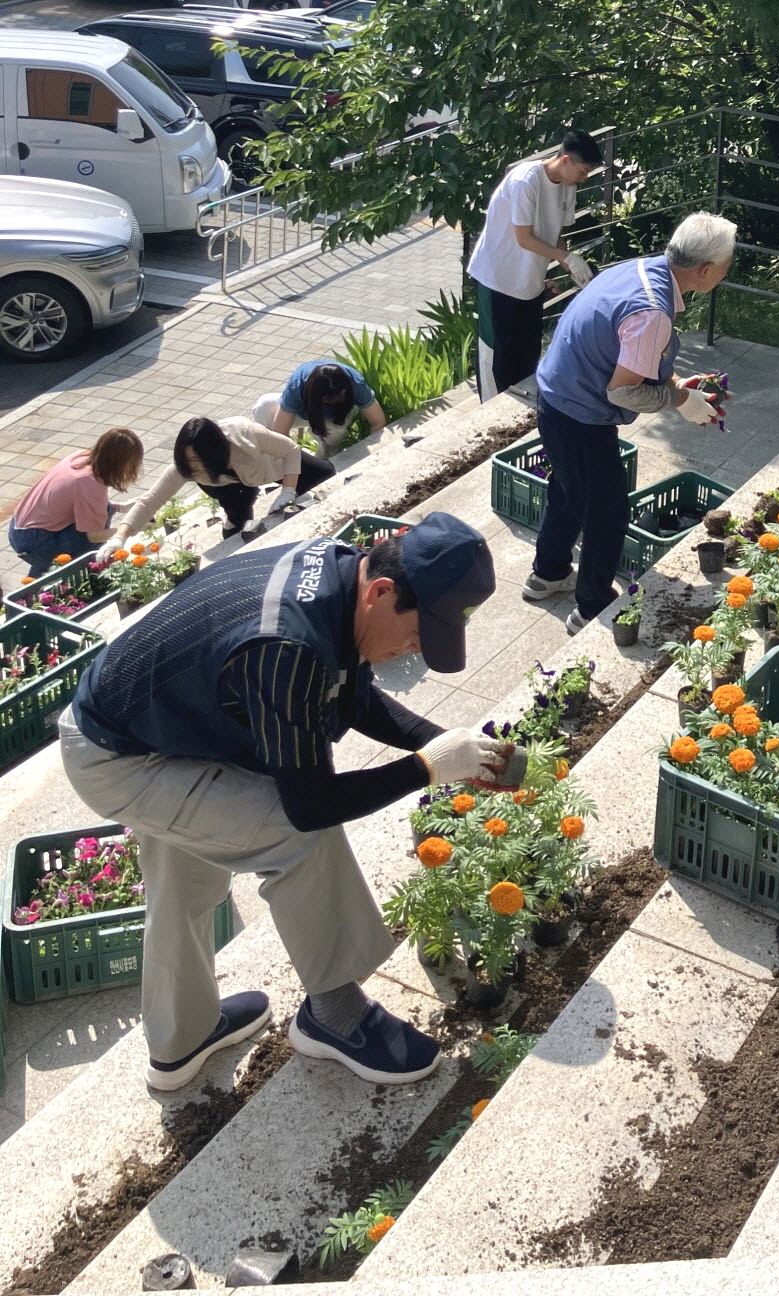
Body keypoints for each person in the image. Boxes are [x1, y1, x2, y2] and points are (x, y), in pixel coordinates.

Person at [60, 514, 502, 1091]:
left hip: (159, 723)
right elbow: (310, 806)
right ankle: (334, 1017)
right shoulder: (288, 645)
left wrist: (445, 745)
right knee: (297, 837)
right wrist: (429, 767)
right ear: (381, 591)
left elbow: (351, 692)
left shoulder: (341, 571)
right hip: (117, 756)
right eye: (420, 635)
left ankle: (180, 1041)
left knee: (184, 879)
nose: (415, 651)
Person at [526, 212, 736, 634]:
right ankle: (590, 607)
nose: (726, 273)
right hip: (580, 413)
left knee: (569, 488)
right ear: (705, 269)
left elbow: (631, 357)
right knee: (607, 511)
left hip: (556, 393)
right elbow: (622, 393)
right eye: (725, 266)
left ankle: (547, 574)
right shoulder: (653, 311)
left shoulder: (641, 269)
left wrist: (676, 382)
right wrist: (680, 400)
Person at [469, 129, 606, 400]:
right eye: (583, 171)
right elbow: (524, 238)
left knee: (527, 354)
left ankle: (523, 410)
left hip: (529, 280)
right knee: (497, 357)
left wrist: (570, 268)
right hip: (498, 279)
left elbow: (555, 234)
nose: (584, 178)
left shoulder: (567, 186)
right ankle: (489, 411)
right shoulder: (526, 180)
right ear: (565, 160)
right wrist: (566, 258)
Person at [113, 415, 336, 544]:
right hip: (225, 486)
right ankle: (231, 527)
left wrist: (288, 490)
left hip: (267, 467)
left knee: (324, 473)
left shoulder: (246, 434)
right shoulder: (184, 468)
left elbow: (290, 450)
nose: (193, 466)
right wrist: (119, 537)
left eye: (198, 460)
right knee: (240, 523)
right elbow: (150, 501)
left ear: (214, 451)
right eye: (188, 460)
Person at [8, 429, 145, 575]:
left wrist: (121, 507)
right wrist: (129, 530)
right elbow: (94, 536)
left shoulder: (81, 457)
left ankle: (38, 575)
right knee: (94, 540)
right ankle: (90, 573)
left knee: (105, 511)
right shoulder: (90, 483)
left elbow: (89, 503)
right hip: (35, 544)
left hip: (18, 530)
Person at [252, 360, 389, 458]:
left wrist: (374, 452)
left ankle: (328, 457)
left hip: (338, 416)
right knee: (264, 406)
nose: (331, 403)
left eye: (338, 399)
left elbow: (378, 422)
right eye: (326, 401)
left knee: (333, 434)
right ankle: (276, 460)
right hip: (304, 413)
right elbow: (280, 432)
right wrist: (293, 458)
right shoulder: (298, 385)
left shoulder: (355, 382)